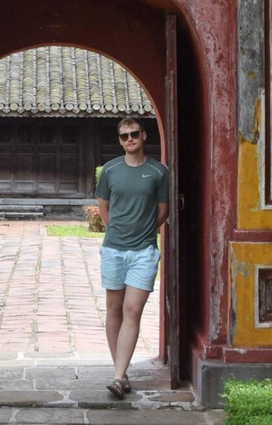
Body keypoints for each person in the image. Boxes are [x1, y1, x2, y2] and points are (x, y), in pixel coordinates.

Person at [95, 117, 169, 399]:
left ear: (144, 136)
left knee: (132, 310)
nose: (130, 139)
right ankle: (121, 372)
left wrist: (146, 230)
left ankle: (116, 377)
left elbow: (163, 210)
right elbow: (104, 206)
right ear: (120, 140)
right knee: (114, 310)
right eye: (124, 136)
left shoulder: (158, 172)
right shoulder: (110, 170)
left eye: (134, 134)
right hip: (113, 250)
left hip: (143, 252)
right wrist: (115, 230)